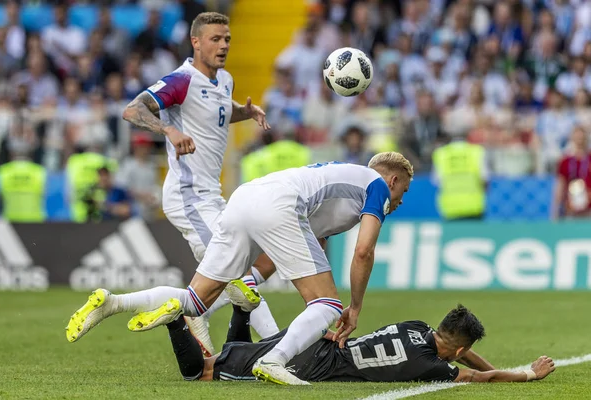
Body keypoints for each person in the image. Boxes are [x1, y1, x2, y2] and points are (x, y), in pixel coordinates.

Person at [66, 152, 414, 386]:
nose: (399, 202)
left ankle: (113, 302)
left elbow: (291, 251)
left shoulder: (339, 182)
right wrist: (353, 308)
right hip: (278, 206)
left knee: (195, 300)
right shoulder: (377, 185)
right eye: (404, 192)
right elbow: (364, 251)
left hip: (246, 197)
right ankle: (274, 359)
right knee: (327, 306)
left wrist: (259, 279)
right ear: (395, 180)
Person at [120, 12, 278, 356]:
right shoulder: (181, 80)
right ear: (196, 42)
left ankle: (189, 313)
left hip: (212, 196)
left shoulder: (225, 80)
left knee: (238, 271)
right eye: (215, 39)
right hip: (187, 196)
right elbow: (132, 110)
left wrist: (244, 112)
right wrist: (169, 129)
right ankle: (277, 351)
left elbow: (218, 111)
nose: (223, 46)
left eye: (227, 39)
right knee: (238, 274)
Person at [164, 304, 555, 384]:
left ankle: (243, 310)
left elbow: (462, 352)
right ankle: (173, 324)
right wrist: (525, 375)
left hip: (318, 341)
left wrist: (474, 358)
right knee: (201, 373)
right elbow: (476, 377)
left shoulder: (417, 325)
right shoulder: (433, 367)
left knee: (228, 357)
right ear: (454, 352)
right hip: (311, 368)